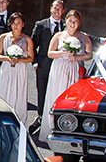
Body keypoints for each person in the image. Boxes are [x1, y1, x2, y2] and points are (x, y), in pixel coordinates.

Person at [40, 10, 94, 140]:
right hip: (59, 68)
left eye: (75, 21)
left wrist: (77, 58)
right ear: (66, 21)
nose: (72, 24)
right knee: (56, 94)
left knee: (71, 98)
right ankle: (51, 129)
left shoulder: (83, 37)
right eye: (70, 21)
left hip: (74, 68)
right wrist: (64, 54)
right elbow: (50, 53)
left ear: (79, 23)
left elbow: (89, 55)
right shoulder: (58, 36)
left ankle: (69, 128)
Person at [31, 0, 67, 130]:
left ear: (63, 11)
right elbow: (33, 45)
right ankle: (41, 117)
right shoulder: (41, 25)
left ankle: (56, 118)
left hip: (61, 66)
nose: (57, 10)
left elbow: (83, 37)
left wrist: (102, 40)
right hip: (43, 65)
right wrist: (34, 63)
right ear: (50, 9)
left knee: (58, 91)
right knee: (42, 91)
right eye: (55, 8)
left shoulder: (66, 25)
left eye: (60, 8)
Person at [0, 12, 34, 124]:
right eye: (13, 23)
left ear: (23, 24)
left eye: (18, 23)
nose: (15, 25)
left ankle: (19, 120)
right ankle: (2, 117)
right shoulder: (3, 37)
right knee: (4, 90)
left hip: (20, 69)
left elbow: (30, 58)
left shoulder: (27, 39)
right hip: (6, 68)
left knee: (19, 92)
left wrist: (19, 59)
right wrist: (8, 58)